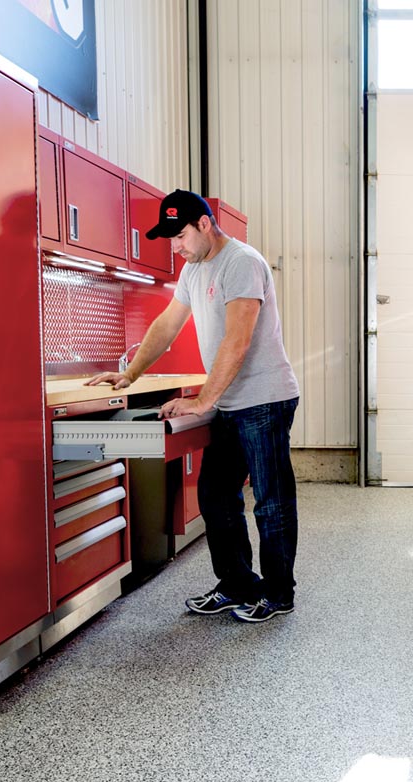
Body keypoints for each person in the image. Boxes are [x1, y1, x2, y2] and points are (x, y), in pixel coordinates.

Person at [86, 190, 300, 623]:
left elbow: (237, 341)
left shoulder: (241, 262)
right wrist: (130, 374)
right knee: (216, 496)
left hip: (264, 400)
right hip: (229, 401)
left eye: (179, 235)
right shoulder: (193, 269)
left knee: (270, 501)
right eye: (170, 239)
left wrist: (203, 401)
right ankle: (239, 584)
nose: (175, 247)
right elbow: (167, 325)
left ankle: (278, 593)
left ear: (205, 224)